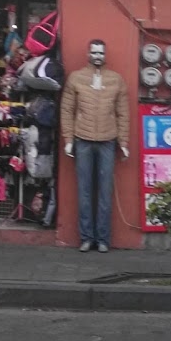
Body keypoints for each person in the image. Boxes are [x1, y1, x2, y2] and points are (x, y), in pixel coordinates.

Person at [61, 39, 129, 252]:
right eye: (95, 52)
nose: (98, 56)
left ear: (105, 55)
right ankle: (86, 238)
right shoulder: (76, 78)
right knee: (84, 192)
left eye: (101, 53)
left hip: (108, 140)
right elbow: (67, 110)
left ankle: (103, 239)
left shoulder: (116, 79)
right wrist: (68, 140)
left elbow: (123, 113)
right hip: (82, 139)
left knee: (105, 193)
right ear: (88, 54)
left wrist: (123, 142)